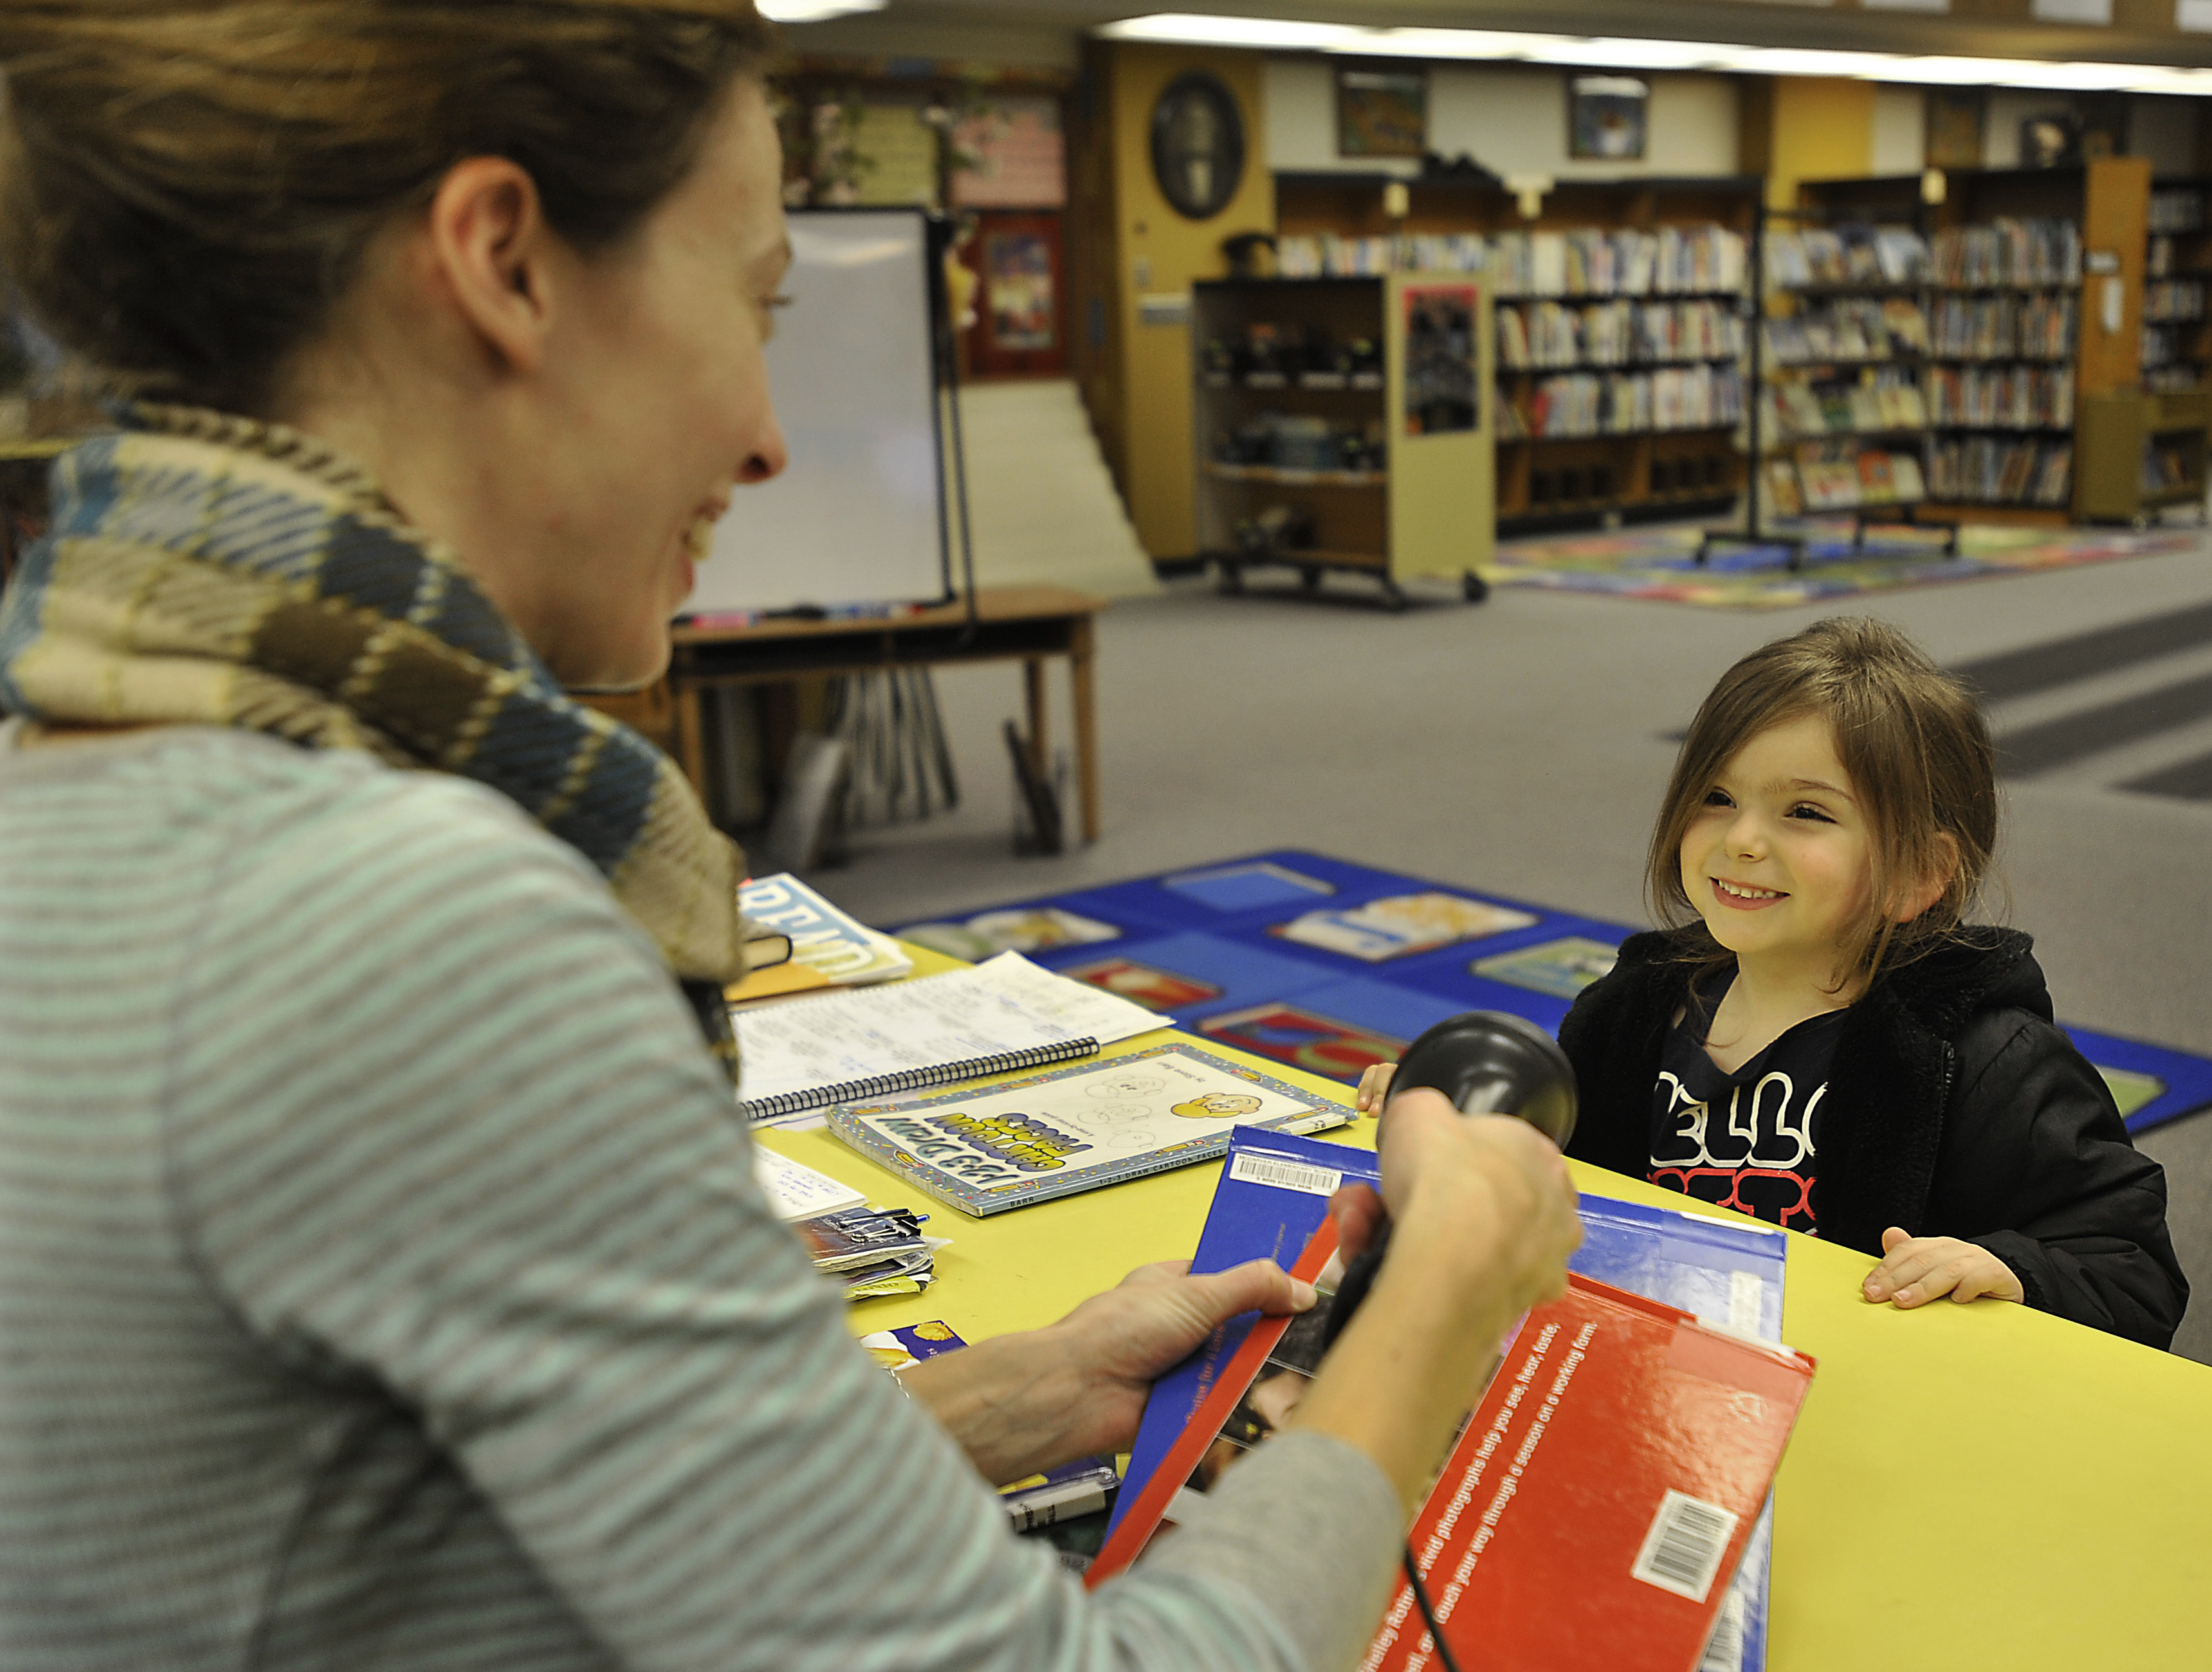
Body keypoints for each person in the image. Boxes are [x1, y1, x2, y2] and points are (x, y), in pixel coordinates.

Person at [0, 5, 1582, 1669]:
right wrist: (1440, 1293)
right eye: (756, 304)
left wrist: (992, 1398)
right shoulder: (397, 920)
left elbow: (399, 1530)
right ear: (502, 261)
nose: (765, 435)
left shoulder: (88, 766)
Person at [1360, 618, 2186, 1350]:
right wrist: (1458, 1122)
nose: (1742, 840)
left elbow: (2132, 1268)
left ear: (1916, 873)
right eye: (1717, 797)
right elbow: (1559, 1160)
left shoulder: (1981, 1057)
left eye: (1805, 812)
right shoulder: (1635, 1007)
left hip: (1852, 1404)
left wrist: (2007, 1268)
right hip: (1644, 1376)